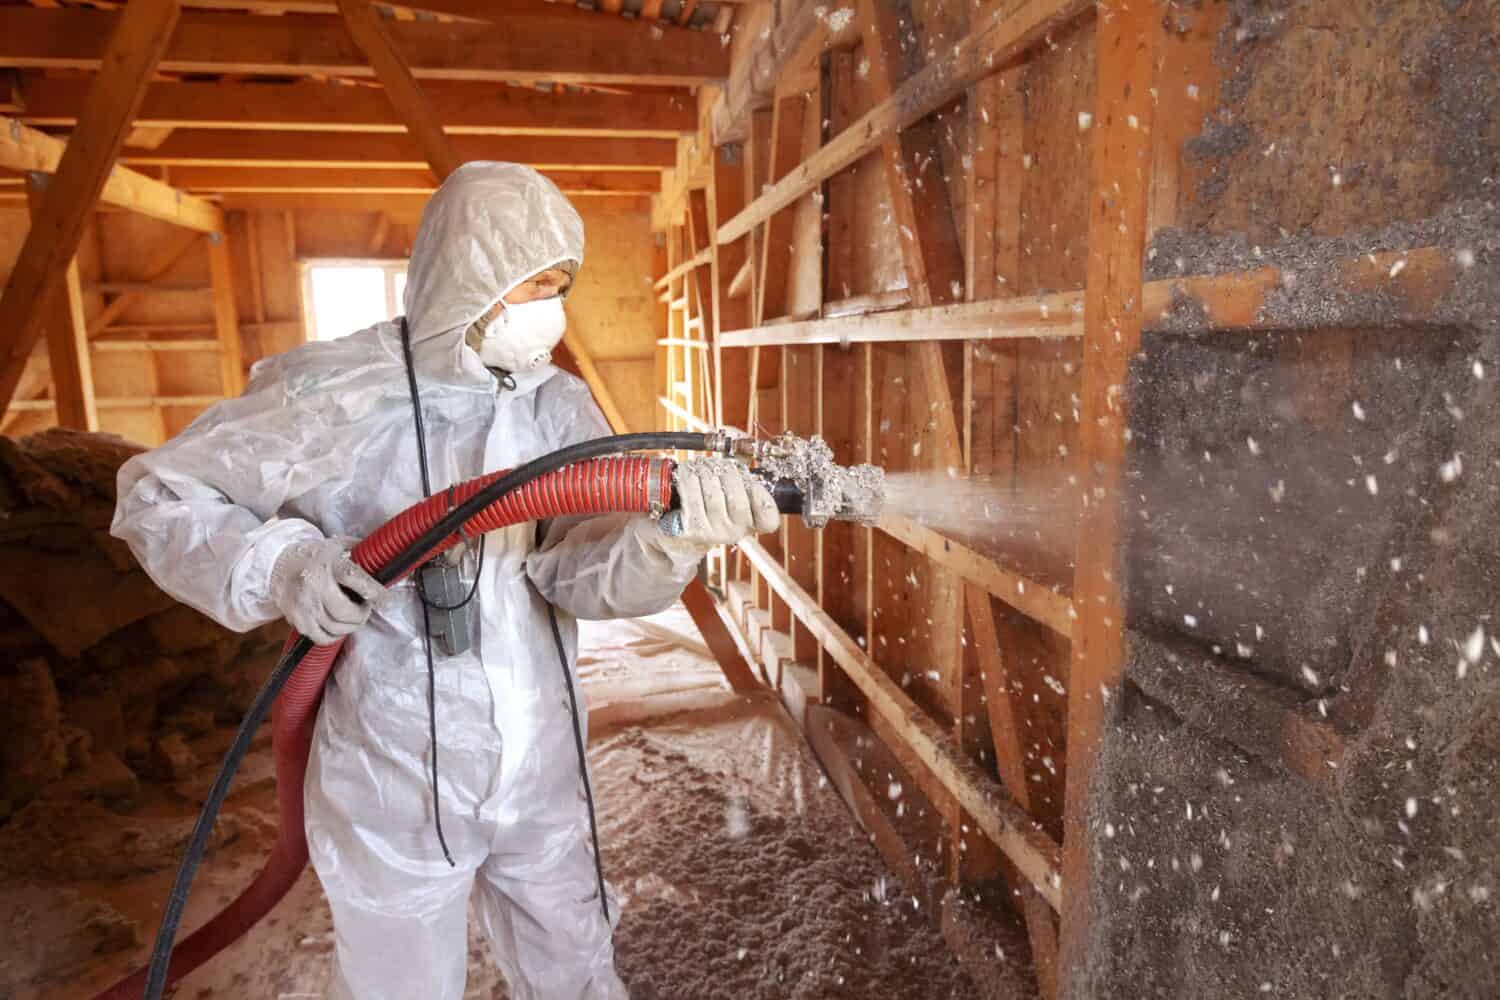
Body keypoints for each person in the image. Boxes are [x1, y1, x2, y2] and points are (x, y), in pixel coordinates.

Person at [111, 162, 779, 999]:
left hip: (542, 774)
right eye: (532, 282)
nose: (550, 304)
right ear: (470, 276)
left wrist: (670, 541)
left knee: (578, 975)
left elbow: (579, 574)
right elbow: (158, 495)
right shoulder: (335, 393)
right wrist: (287, 564)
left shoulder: (553, 406)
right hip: (393, 779)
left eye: (560, 283)